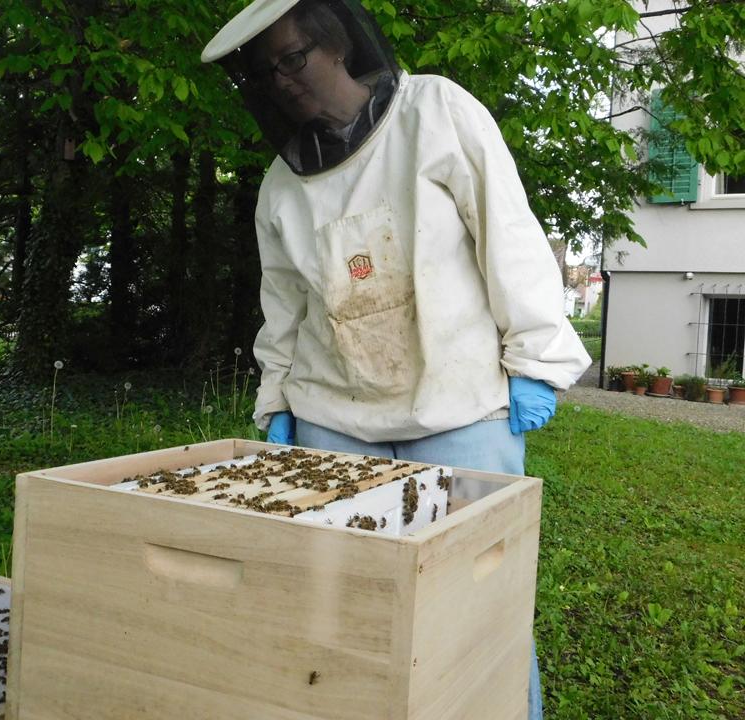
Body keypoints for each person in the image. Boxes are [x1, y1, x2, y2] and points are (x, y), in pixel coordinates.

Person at [201, 1, 592, 718]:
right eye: (265, 72)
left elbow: (506, 232)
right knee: (345, 612)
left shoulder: (436, 113)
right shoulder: (280, 189)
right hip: (334, 418)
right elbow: (283, 310)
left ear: (335, 42)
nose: (283, 81)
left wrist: (535, 358)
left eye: (292, 57)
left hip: (456, 403)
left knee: (480, 601)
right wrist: (278, 400)